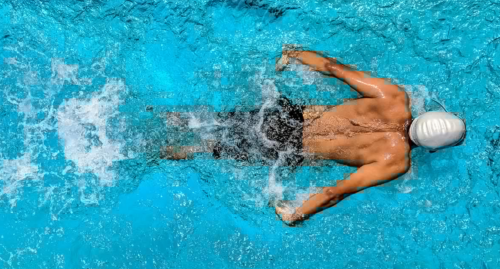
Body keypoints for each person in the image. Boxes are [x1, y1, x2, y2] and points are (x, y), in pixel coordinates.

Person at [160, 45, 466, 225]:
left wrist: (294, 54)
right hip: (291, 149)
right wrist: (296, 215)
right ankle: (160, 152)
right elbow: (337, 191)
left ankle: (162, 116)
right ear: (433, 149)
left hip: (286, 115)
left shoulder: (394, 97)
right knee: (207, 148)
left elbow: (335, 68)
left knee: (208, 120)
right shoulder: (396, 161)